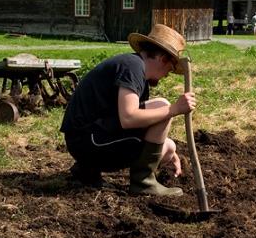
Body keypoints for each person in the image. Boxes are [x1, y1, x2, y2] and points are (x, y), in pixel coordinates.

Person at [60, 24, 197, 196]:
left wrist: (168, 148)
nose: (166, 75)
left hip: (86, 137)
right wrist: (174, 109)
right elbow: (129, 118)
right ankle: (143, 182)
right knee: (163, 109)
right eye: (169, 69)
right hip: (88, 141)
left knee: (167, 135)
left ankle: (86, 170)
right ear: (162, 59)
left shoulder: (133, 66)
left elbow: (132, 119)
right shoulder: (132, 67)